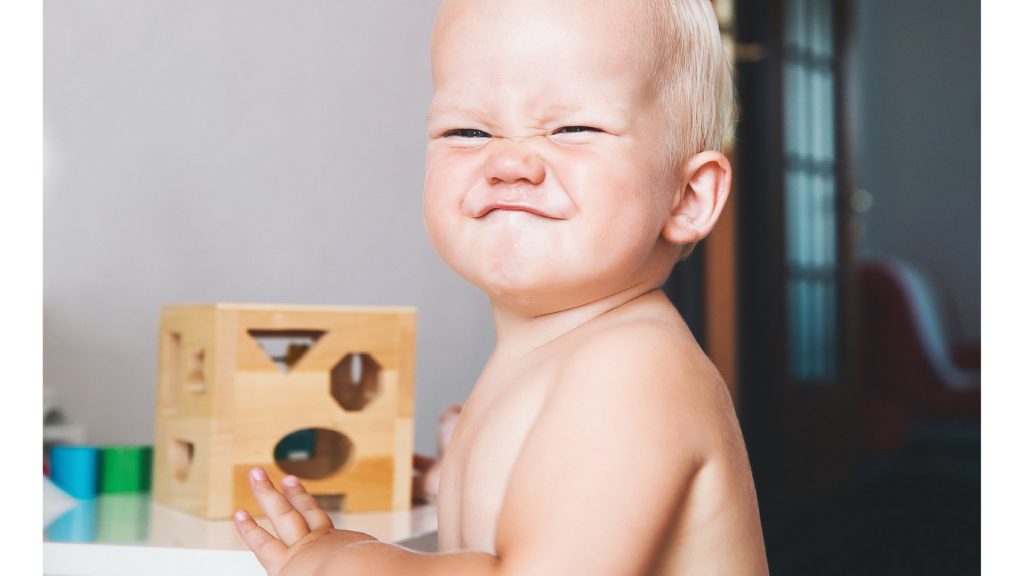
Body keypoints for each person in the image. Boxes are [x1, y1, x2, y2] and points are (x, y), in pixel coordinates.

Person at [233, 0, 769, 573]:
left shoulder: (634, 367)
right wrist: (456, 483)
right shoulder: (554, 357)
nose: (510, 163)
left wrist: (349, 563)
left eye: (572, 129)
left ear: (688, 197)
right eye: (467, 130)